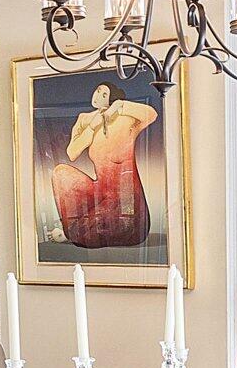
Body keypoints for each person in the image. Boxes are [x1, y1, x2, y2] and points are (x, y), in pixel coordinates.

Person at [48, 82, 157, 250]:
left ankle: (77, 231)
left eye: (104, 94)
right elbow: (72, 152)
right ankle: (73, 230)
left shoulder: (126, 118)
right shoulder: (84, 119)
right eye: (97, 90)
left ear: (112, 98)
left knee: (111, 228)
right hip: (100, 192)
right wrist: (92, 127)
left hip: (125, 196)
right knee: (60, 173)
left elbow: (151, 114)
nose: (97, 96)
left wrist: (119, 107)